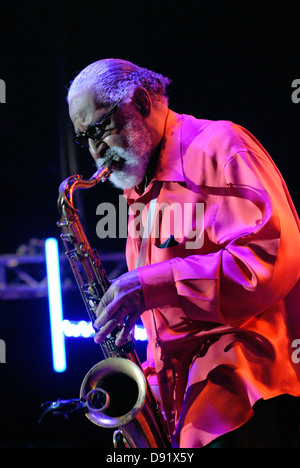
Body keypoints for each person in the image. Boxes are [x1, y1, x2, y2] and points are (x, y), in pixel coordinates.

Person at [67, 58, 300, 448]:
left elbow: (271, 260)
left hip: (244, 388)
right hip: (188, 403)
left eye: (99, 128)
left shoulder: (221, 145)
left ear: (140, 103)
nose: (95, 151)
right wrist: (147, 394)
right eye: (83, 138)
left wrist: (152, 285)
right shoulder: (139, 190)